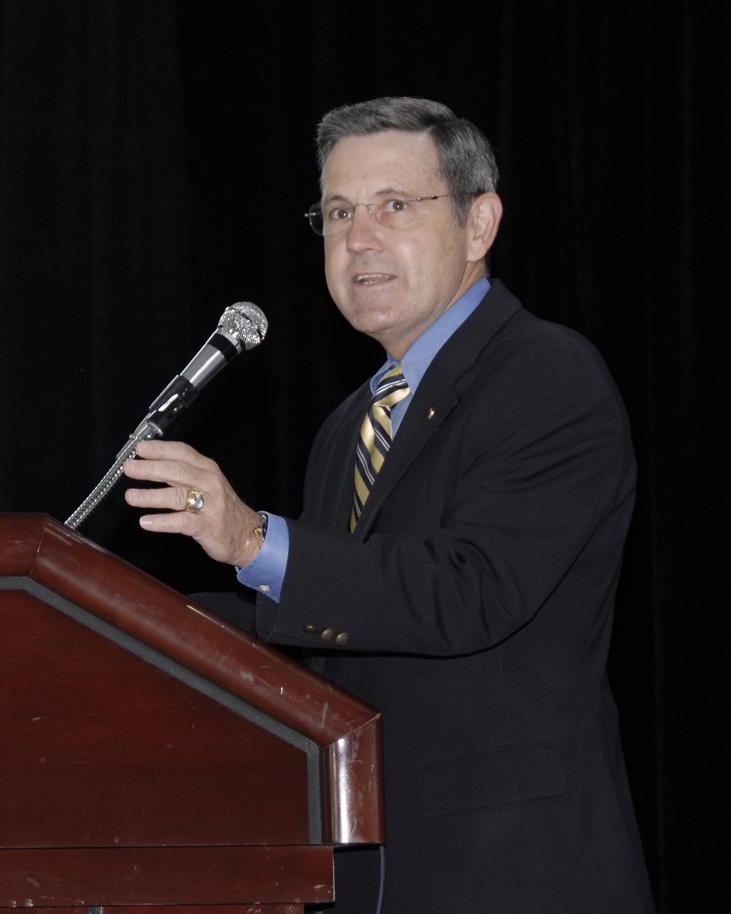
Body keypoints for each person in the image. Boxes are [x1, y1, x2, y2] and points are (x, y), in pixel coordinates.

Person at [122, 97, 654, 913]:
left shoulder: (547, 376)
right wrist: (121, 619)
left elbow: (469, 589)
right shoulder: (350, 426)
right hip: (373, 863)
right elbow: (331, 636)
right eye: (338, 213)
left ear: (480, 225)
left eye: (394, 206)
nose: (358, 238)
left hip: (514, 869)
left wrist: (254, 539)